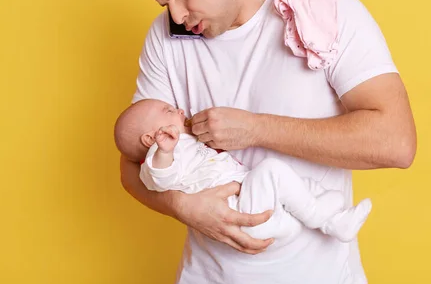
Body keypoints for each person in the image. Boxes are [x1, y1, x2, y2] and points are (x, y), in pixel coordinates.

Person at [119, 0, 417, 284]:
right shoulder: (166, 38)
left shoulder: (321, 12)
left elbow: (397, 142)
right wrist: (182, 205)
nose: (176, 14)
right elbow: (131, 166)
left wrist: (257, 129)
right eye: (165, 4)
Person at [114, 98, 373, 245]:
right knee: (272, 170)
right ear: (150, 138)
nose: (179, 110)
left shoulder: (184, 140)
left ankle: (332, 216)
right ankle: (322, 218)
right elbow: (159, 179)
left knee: (290, 183)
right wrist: (163, 152)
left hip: (250, 201)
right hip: (238, 215)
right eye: (169, 111)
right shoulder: (158, 158)